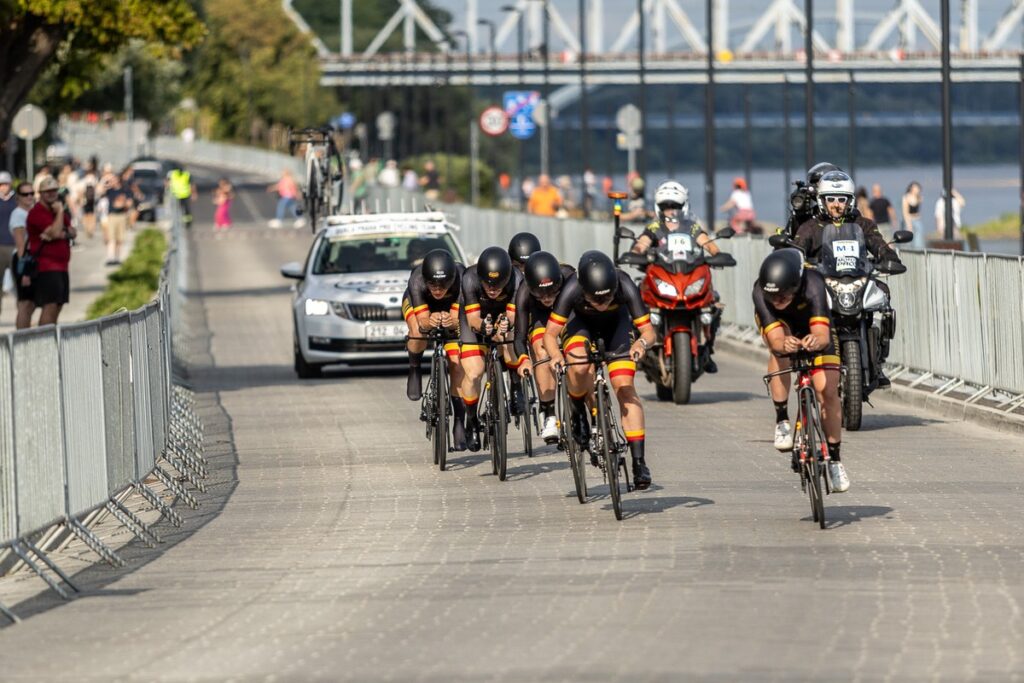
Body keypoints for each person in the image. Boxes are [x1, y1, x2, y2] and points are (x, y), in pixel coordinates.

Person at [542, 251, 656, 490]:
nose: (602, 304)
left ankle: (639, 462)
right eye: (596, 299)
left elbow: (648, 332)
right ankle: (577, 409)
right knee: (579, 366)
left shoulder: (624, 283)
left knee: (625, 387)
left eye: (607, 298)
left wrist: (641, 343)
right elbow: (550, 335)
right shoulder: (571, 289)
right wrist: (555, 356)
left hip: (617, 327)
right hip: (580, 325)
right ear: (583, 290)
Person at [752, 249, 849, 492]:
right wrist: (783, 344)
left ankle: (835, 460)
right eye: (772, 296)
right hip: (782, 325)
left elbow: (822, 335)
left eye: (783, 296)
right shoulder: (761, 292)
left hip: (812, 322)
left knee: (827, 391)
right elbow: (775, 340)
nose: (777, 301)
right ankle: (782, 419)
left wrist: (815, 341)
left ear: (796, 286)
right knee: (779, 352)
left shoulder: (814, 283)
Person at [794, 170, 902, 386]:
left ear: (850, 201)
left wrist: (888, 258)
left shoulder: (863, 224)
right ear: (821, 201)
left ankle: (879, 359)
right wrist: (797, 262)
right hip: (824, 283)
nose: (836, 204)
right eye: (831, 199)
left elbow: (878, 244)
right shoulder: (810, 227)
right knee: (801, 301)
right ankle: (803, 357)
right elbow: (796, 250)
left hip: (857, 280)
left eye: (841, 199)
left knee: (883, 295)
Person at [631, 180, 721, 373]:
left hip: (686, 273)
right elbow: (641, 244)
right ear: (659, 208)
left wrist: (717, 254)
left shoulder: (692, 227)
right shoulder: (654, 227)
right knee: (637, 298)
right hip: (663, 274)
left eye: (675, 206)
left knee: (713, 302)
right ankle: (640, 344)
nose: (671, 210)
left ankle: (708, 348)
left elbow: (708, 244)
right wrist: (636, 252)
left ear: (683, 207)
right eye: (666, 206)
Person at [458, 247, 522, 452]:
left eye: (499, 284)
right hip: (475, 319)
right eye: (487, 284)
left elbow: (513, 315)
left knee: (510, 337)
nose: (493, 289)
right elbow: (472, 319)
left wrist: (505, 323)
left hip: (502, 315)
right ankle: (471, 420)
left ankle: (515, 384)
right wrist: (483, 327)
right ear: (480, 278)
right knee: (474, 373)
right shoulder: (470, 278)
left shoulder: (517, 279)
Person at [403, 250, 467, 447]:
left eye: (443, 285)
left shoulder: (462, 278)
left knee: (456, 363)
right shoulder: (417, 279)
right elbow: (423, 321)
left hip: (451, 306)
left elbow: (457, 320)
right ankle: (414, 367)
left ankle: (459, 421)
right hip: (421, 304)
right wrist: (429, 321)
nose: (438, 290)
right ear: (426, 280)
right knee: (417, 331)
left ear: (452, 279)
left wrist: (451, 321)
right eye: (433, 284)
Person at [513, 251, 575, 444]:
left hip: (568, 314)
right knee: (541, 350)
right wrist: (524, 359)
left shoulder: (570, 278)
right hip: (541, 318)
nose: (547, 298)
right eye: (540, 294)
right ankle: (549, 412)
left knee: (576, 348)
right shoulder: (524, 292)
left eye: (552, 292)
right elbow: (519, 336)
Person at [25, 176, 76, 326]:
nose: (51, 194)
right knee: (50, 305)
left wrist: (62, 232)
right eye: (47, 191)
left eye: (54, 190)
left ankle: (50, 336)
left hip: (62, 266)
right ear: (40, 193)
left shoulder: (55, 211)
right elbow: (54, 233)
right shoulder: (37, 212)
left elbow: (73, 232)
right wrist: (60, 213)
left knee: (58, 305)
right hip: (47, 267)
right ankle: (43, 338)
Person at [8, 181, 37, 328]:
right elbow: (20, 245)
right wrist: (25, 272)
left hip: (32, 259)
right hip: (23, 260)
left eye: (32, 193)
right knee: (25, 303)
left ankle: (25, 333)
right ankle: (22, 337)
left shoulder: (31, 212)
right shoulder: (18, 214)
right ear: (18, 197)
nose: (29, 196)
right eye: (25, 194)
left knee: (31, 303)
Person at [102, 173, 132, 265]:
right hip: (112, 216)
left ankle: (117, 258)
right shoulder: (109, 190)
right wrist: (105, 180)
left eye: (114, 179)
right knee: (111, 238)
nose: (112, 181)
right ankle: (110, 258)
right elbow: (99, 190)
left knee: (120, 239)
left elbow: (129, 203)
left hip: (122, 216)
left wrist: (123, 203)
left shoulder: (125, 190)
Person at [0, 172, 16, 317]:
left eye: (5, 184)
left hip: (14, 245)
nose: (3, 187)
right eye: (1, 184)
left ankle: (22, 316)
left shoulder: (17, 200)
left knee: (18, 284)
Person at [901, 181, 924, 248]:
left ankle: (918, 251)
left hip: (917, 220)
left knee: (918, 241)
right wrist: (909, 224)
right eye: (916, 188)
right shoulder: (906, 197)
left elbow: (918, 211)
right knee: (908, 241)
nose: (917, 190)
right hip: (909, 220)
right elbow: (905, 213)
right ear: (912, 188)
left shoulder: (919, 198)